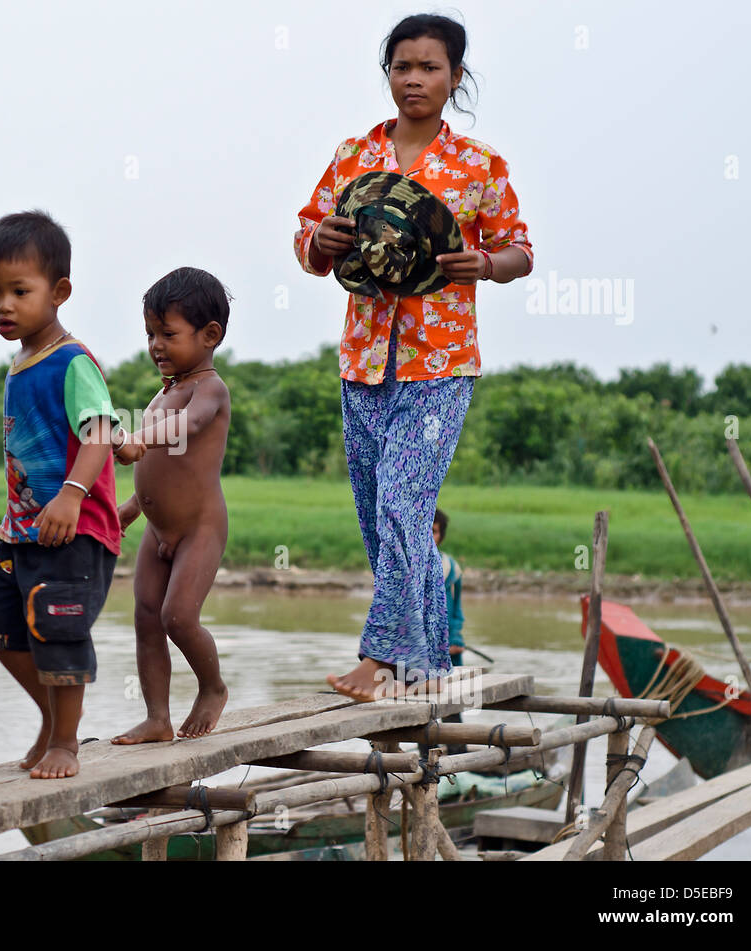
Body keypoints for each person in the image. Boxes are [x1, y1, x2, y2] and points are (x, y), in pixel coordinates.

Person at [293, 14, 533, 701]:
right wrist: (324, 243)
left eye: (430, 67)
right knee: (378, 515)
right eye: (402, 66)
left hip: (441, 363)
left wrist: (484, 263)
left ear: (455, 77)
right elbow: (309, 243)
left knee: (405, 502)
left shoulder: (481, 166)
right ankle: (427, 665)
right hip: (363, 358)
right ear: (388, 74)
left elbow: (521, 251)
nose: (415, 79)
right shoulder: (353, 155)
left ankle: (381, 659)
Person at [0, 210, 141, 779]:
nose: (3, 305)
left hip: (73, 527)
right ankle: (50, 715)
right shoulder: (21, 362)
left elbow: (98, 428)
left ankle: (66, 742)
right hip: (20, 529)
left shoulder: (72, 361)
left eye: (20, 291)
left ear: (59, 292)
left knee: (59, 630)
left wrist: (71, 494)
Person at [111, 267, 232, 744]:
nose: (156, 345)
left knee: (177, 616)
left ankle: (212, 687)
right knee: (145, 617)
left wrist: (139, 437)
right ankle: (157, 718)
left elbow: (188, 426)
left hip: (200, 528)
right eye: (150, 334)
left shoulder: (209, 390)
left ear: (210, 335)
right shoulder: (163, 391)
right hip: (157, 530)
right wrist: (128, 509)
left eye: (167, 333)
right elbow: (158, 474)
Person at [433, 509, 465, 668]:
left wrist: (455, 638)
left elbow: (456, 609)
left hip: (444, 640)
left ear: (441, 537)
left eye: (433, 531)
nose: (428, 536)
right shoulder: (405, 565)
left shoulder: (451, 568)